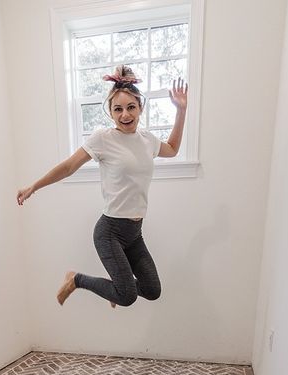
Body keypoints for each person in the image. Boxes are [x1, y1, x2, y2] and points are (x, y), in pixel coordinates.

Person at [17, 65, 188, 308]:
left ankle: (114, 289)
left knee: (152, 290)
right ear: (110, 112)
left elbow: (172, 149)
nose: (125, 114)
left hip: (134, 232)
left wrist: (181, 110)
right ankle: (76, 279)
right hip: (110, 232)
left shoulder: (147, 140)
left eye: (131, 107)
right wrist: (34, 186)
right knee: (127, 296)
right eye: (117, 109)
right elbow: (68, 167)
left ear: (140, 108)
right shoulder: (103, 139)